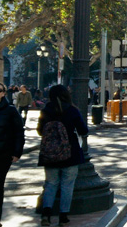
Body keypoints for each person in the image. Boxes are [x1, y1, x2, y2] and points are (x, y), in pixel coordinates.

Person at [38, 85, 88, 226]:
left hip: (49, 154)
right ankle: (63, 216)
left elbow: (40, 131)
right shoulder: (72, 110)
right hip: (70, 153)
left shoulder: (46, 111)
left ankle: (46, 215)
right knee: (67, 185)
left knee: (51, 184)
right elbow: (83, 130)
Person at [0, 82, 24, 227]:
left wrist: (17, 152)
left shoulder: (10, 111)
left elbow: (19, 133)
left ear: (3, 93)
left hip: (2, 154)